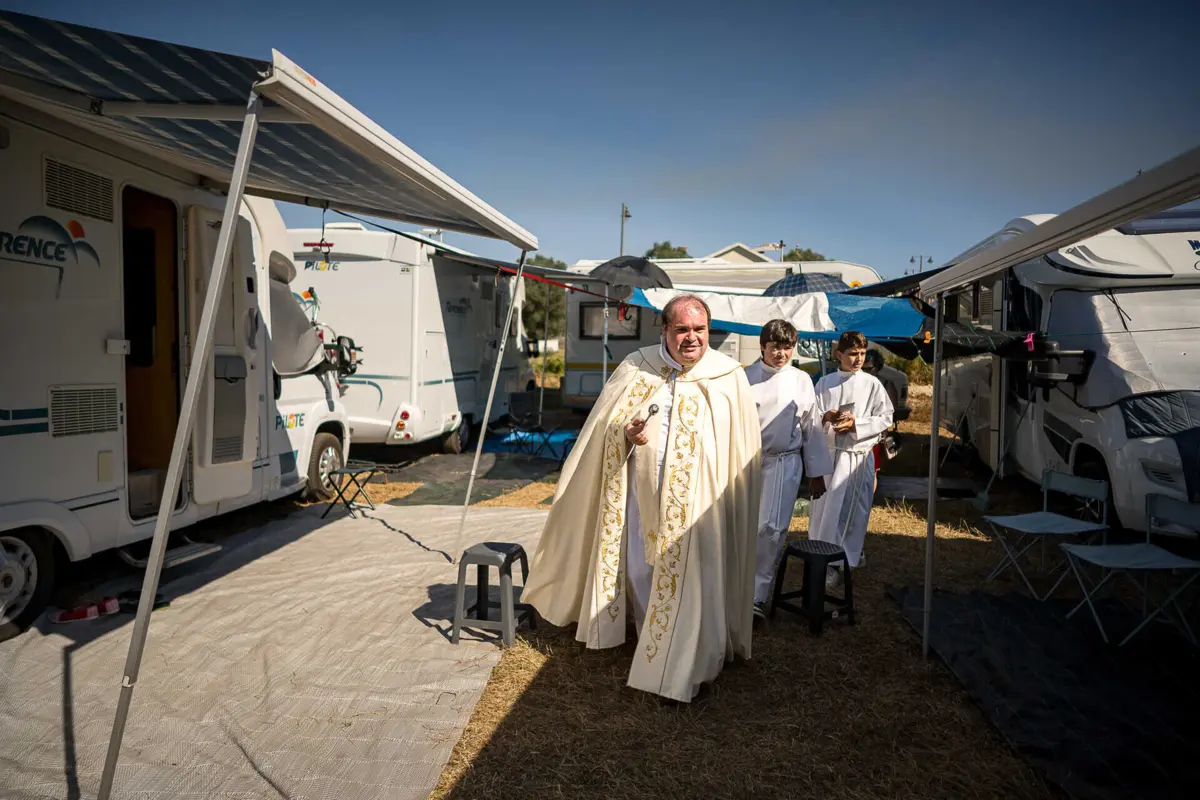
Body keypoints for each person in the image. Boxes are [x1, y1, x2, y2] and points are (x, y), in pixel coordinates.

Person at [522, 294, 762, 703]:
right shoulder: (638, 366)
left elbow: (739, 446)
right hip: (640, 501)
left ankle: (690, 664)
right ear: (665, 330)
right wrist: (626, 434)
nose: (692, 338)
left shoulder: (727, 376)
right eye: (682, 329)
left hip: (701, 509)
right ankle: (651, 638)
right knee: (640, 570)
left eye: (699, 329)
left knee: (697, 581)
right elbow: (606, 427)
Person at [743, 320, 832, 621]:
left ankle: (756, 597)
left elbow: (811, 425)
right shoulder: (745, 377)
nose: (781, 353)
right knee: (742, 526)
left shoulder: (801, 380)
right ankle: (735, 590)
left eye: (787, 347)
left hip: (784, 462)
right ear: (762, 346)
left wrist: (816, 472)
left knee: (769, 528)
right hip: (747, 462)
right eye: (775, 346)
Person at [808, 331, 894, 587]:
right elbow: (812, 415)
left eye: (862, 353)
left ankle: (845, 559)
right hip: (831, 456)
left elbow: (885, 417)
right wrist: (827, 417)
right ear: (839, 355)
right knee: (826, 510)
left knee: (852, 511)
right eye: (852, 354)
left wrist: (857, 423)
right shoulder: (825, 383)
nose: (858, 359)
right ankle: (822, 558)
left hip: (857, 457)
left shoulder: (872, 384)